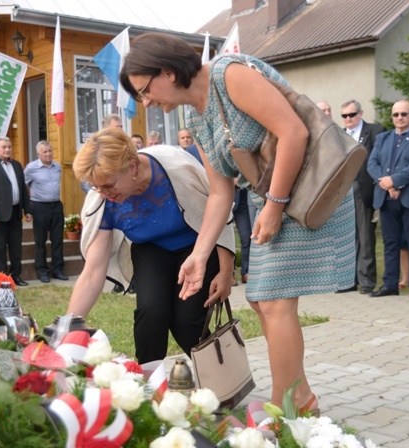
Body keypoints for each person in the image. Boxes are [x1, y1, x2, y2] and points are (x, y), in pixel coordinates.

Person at [120, 33, 355, 412]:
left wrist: (274, 206)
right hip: (273, 200)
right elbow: (219, 193)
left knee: (273, 301)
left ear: (167, 70)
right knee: (263, 302)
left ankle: (284, 410)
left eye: (145, 90)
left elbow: (293, 132)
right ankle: (301, 397)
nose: (147, 102)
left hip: (305, 191)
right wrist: (199, 255)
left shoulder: (228, 75)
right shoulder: (195, 118)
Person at [67, 127, 235, 364]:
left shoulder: (175, 167)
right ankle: (148, 384)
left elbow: (220, 208)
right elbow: (93, 272)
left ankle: (222, 383)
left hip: (198, 245)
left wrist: (226, 272)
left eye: (109, 186)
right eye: (97, 187)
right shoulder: (103, 202)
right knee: (151, 314)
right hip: (150, 249)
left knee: (187, 323)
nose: (104, 194)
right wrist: (69, 326)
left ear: (132, 167)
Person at [367, 100, 409, 300]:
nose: (400, 118)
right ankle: (390, 284)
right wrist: (387, 184)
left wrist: (395, 181)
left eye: (404, 114)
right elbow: (372, 163)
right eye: (396, 115)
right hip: (387, 198)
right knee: (390, 243)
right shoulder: (383, 138)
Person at [340, 99, 386, 295]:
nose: (348, 119)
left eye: (352, 114)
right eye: (344, 116)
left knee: (365, 236)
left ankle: (367, 281)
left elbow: (380, 159)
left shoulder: (375, 131)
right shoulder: (340, 134)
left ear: (360, 113)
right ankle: (350, 280)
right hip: (344, 191)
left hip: (365, 188)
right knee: (348, 238)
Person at [0, 136, 32, 286]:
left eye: (9, 147)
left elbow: (22, 189)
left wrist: (27, 210)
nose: (7, 149)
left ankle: (15, 275)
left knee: (16, 247)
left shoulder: (16, 165)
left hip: (15, 212)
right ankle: (2, 278)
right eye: (4, 147)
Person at [24, 141, 69, 283]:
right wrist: (28, 209)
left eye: (50, 151)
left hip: (56, 206)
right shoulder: (31, 169)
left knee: (57, 240)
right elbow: (22, 186)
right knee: (40, 241)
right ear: (38, 154)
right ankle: (42, 271)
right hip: (39, 207)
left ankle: (57, 269)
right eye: (45, 152)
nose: (48, 154)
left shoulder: (57, 167)